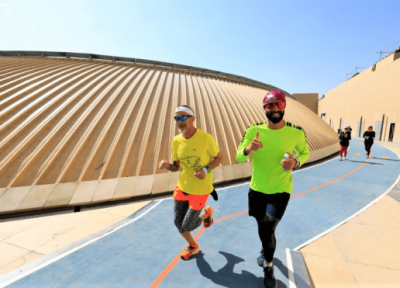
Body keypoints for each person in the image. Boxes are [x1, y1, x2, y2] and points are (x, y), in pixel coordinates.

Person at [236, 90, 310, 288]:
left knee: (267, 229)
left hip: (280, 190)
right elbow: (238, 156)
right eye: (270, 105)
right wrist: (249, 149)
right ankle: (265, 249)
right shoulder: (253, 131)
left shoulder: (296, 131)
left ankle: (268, 267)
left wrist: (296, 162)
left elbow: (305, 152)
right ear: (264, 108)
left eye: (279, 104)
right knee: (264, 230)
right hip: (257, 190)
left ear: (284, 106)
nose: (275, 108)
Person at [159, 105, 223, 260]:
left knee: (187, 225)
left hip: (200, 189)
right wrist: (168, 166)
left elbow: (219, 158)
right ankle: (193, 246)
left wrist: (206, 170)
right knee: (177, 222)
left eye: (183, 117)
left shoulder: (206, 138)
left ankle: (206, 214)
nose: (179, 122)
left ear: (192, 119)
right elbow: (177, 167)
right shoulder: (176, 141)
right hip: (182, 186)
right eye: (176, 118)